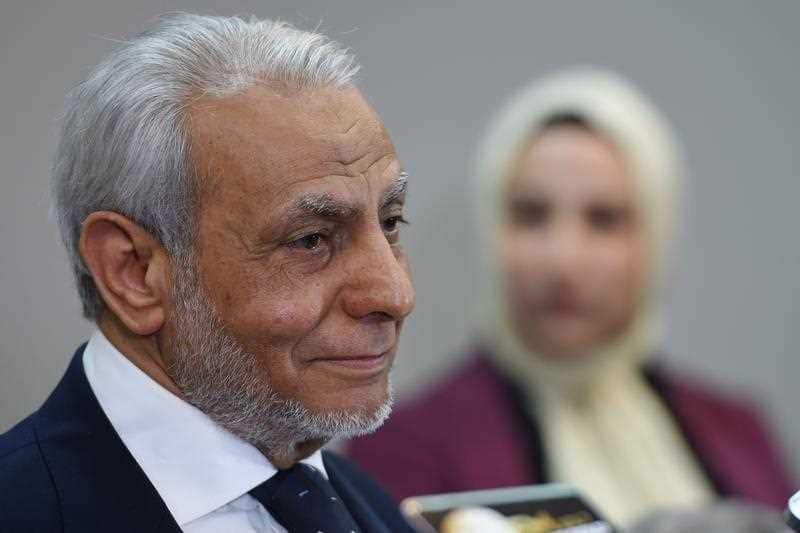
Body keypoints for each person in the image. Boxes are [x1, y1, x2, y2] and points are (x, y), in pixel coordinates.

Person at [0, 14, 416, 533]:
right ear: (133, 272)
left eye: (390, 221)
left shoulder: (374, 509)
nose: (395, 294)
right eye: (310, 240)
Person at [348, 68, 794, 526]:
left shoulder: (740, 430)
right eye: (530, 215)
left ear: (657, 237)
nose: (564, 262)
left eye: (604, 219)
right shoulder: (405, 447)